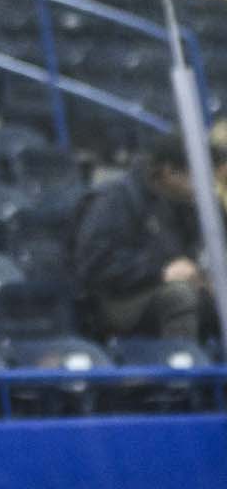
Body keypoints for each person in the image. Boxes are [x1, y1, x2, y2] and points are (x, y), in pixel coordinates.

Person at [72, 137, 211, 343]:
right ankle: (181, 369)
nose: (203, 185)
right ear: (169, 172)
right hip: (119, 299)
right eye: (195, 176)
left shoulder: (182, 204)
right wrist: (161, 272)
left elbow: (191, 255)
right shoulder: (115, 198)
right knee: (180, 296)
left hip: (163, 287)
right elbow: (97, 264)